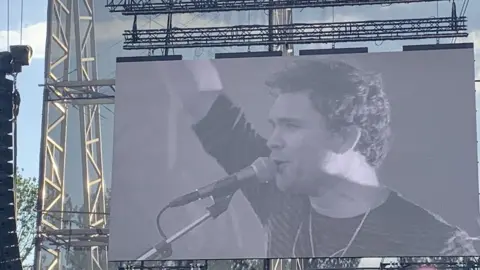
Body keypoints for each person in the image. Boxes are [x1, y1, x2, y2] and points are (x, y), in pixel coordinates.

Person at [162, 58, 478, 258]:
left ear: (344, 137)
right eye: (274, 125)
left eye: (291, 126)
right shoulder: (277, 187)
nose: (273, 141)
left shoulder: (437, 243)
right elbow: (200, 93)